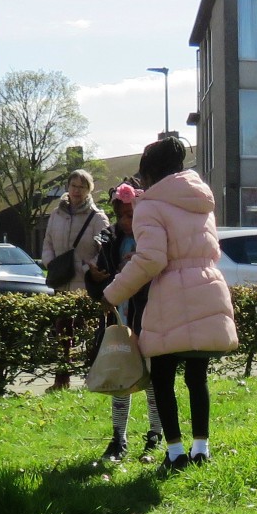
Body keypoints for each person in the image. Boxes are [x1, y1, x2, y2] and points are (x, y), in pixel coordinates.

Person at [101, 135, 237, 472]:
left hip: (171, 294)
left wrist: (112, 293)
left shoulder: (150, 205)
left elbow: (151, 259)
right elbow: (211, 250)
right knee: (197, 375)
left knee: (162, 375)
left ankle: (175, 453)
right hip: (208, 286)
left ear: (149, 173)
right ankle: (201, 448)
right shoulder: (201, 200)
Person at [85, 181, 165, 463]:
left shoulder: (153, 237)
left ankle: (155, 434)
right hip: (120, 317)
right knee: (120, 375)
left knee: (154, 377)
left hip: (150, 316)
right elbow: (99, 288)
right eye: (122, 216)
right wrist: (95, 278)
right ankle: (118, 438)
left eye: (132, 215)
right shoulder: (109, 239)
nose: (127, 222)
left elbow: (161, 275)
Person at [43, 169, 109, 388]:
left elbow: (106, 249)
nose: (77, 191)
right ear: (67, 188)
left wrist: (85, 267)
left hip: (85, 284)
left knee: (89, 332)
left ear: (89, 189)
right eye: (73, 186)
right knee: (63, 333)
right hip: (61, 282)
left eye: (82, 186)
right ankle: (62, 379)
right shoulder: (56, 214)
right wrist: (50, 262)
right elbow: (48, 242)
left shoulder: (97, 217)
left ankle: (93, 377)